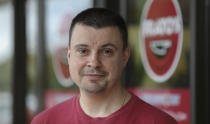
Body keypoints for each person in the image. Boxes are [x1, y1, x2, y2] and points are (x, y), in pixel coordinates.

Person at [31, 8, 177, 124]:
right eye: (83, 51)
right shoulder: (45, 121)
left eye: (107, 51)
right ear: (69, 56)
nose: (94, 62)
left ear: (125, 56)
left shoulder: (158, 122)